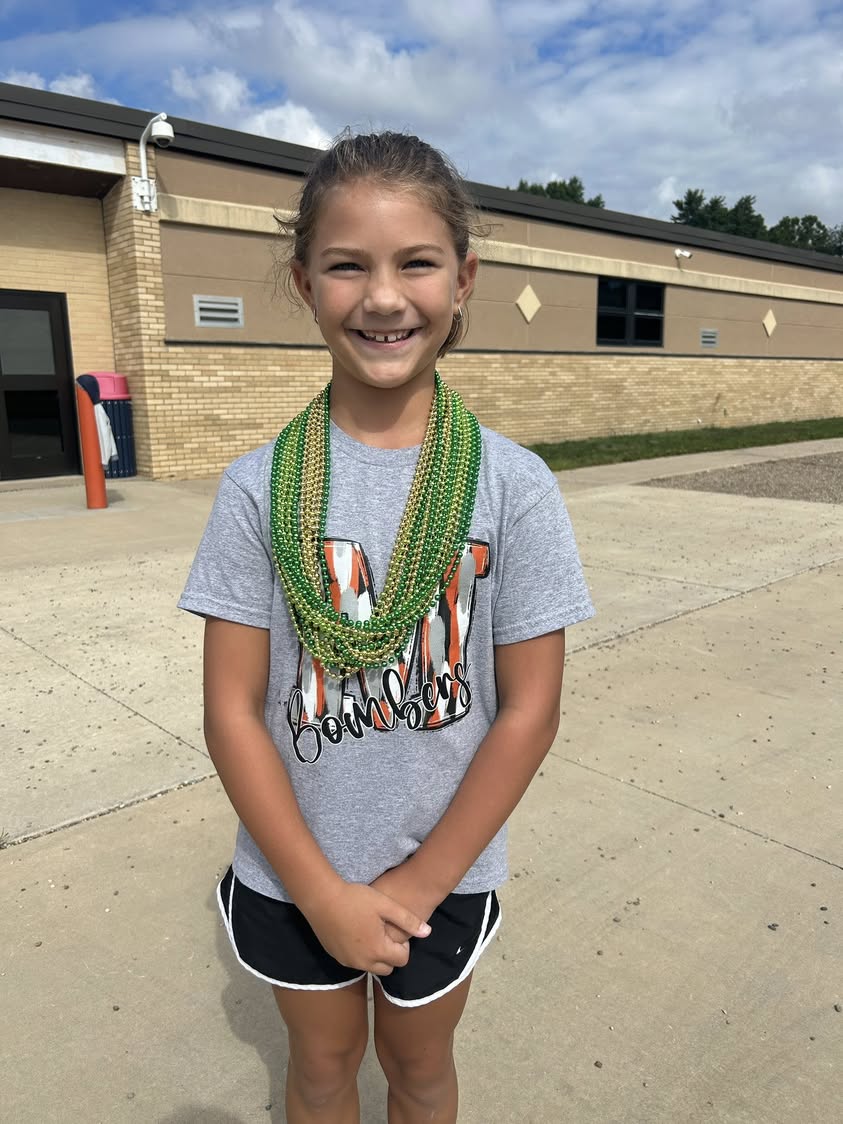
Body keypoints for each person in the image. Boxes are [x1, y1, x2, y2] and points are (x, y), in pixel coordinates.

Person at [179, 130, 594, 1124]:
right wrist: (320, 889)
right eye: (346, 265)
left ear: (464, 277)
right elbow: (232, 709)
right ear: (303, 279)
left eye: (415, 261)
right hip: (292, 867)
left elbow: (529, 710)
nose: (383, 296)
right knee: (320, 1070)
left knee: (419, 1070)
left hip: (445, 867)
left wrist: (420, 879)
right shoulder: (257, 490)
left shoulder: (513, 487)